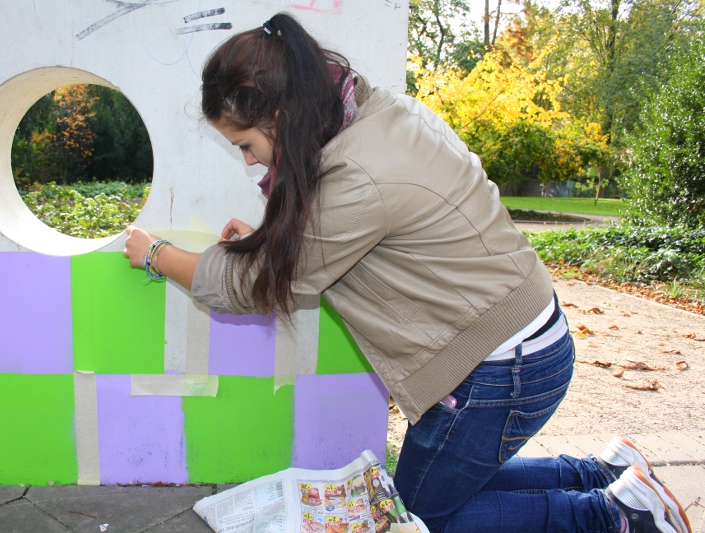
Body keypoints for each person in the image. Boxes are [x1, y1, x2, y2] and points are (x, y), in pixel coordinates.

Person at [123, 13, 691, 533]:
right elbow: (333, 236)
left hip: (495, 373)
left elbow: (256, 286)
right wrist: (261, 241)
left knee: (418, 521)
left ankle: (614, 516)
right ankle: (603, 474)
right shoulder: (373, 115)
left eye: (246, 145)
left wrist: (157, 254)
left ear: (282, 115)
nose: (248, 161)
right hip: (519, 341)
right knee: (438, 493)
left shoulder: (356, 172)